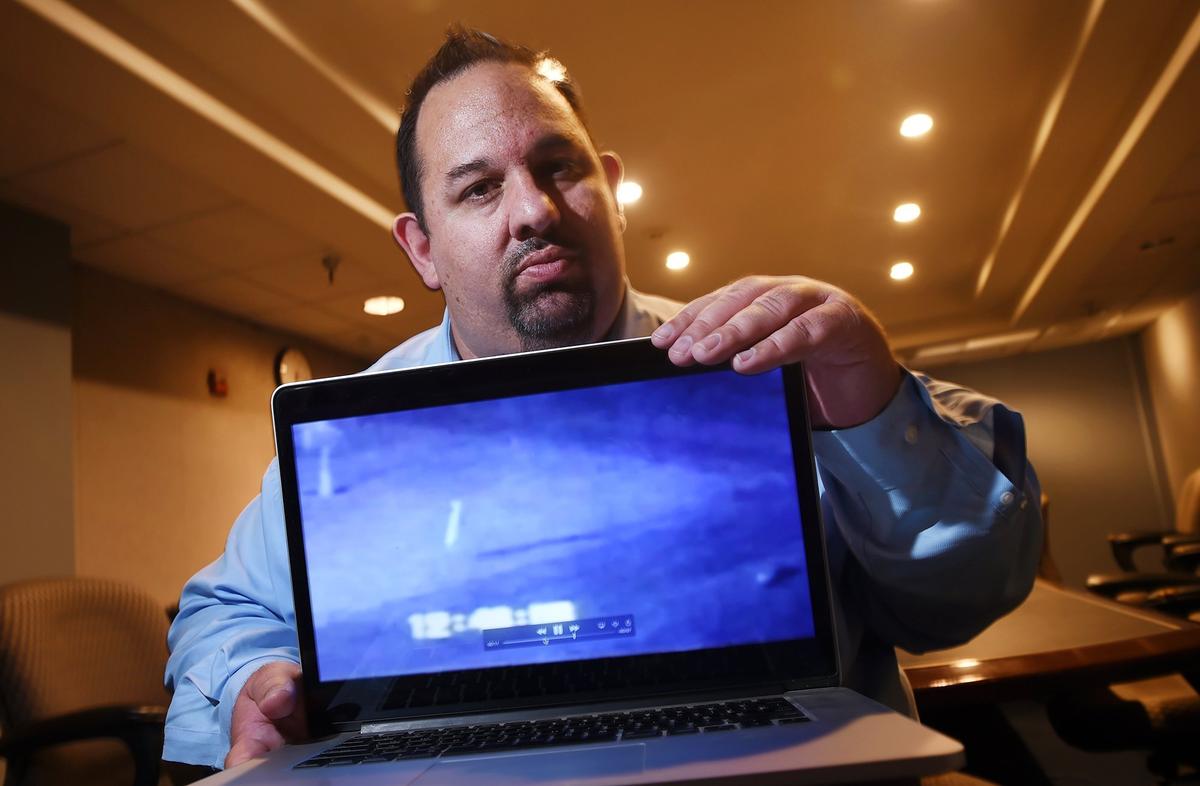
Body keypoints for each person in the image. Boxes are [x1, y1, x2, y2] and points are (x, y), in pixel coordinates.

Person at [163, 28, 1042, 771]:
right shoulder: (347, 438)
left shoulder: (781, 365)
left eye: (559, 166)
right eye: (479, 187)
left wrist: (869, 408)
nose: (535, 210)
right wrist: (251, 677)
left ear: (613, 189)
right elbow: (220, 610)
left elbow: (964, 601)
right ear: (422, 248)